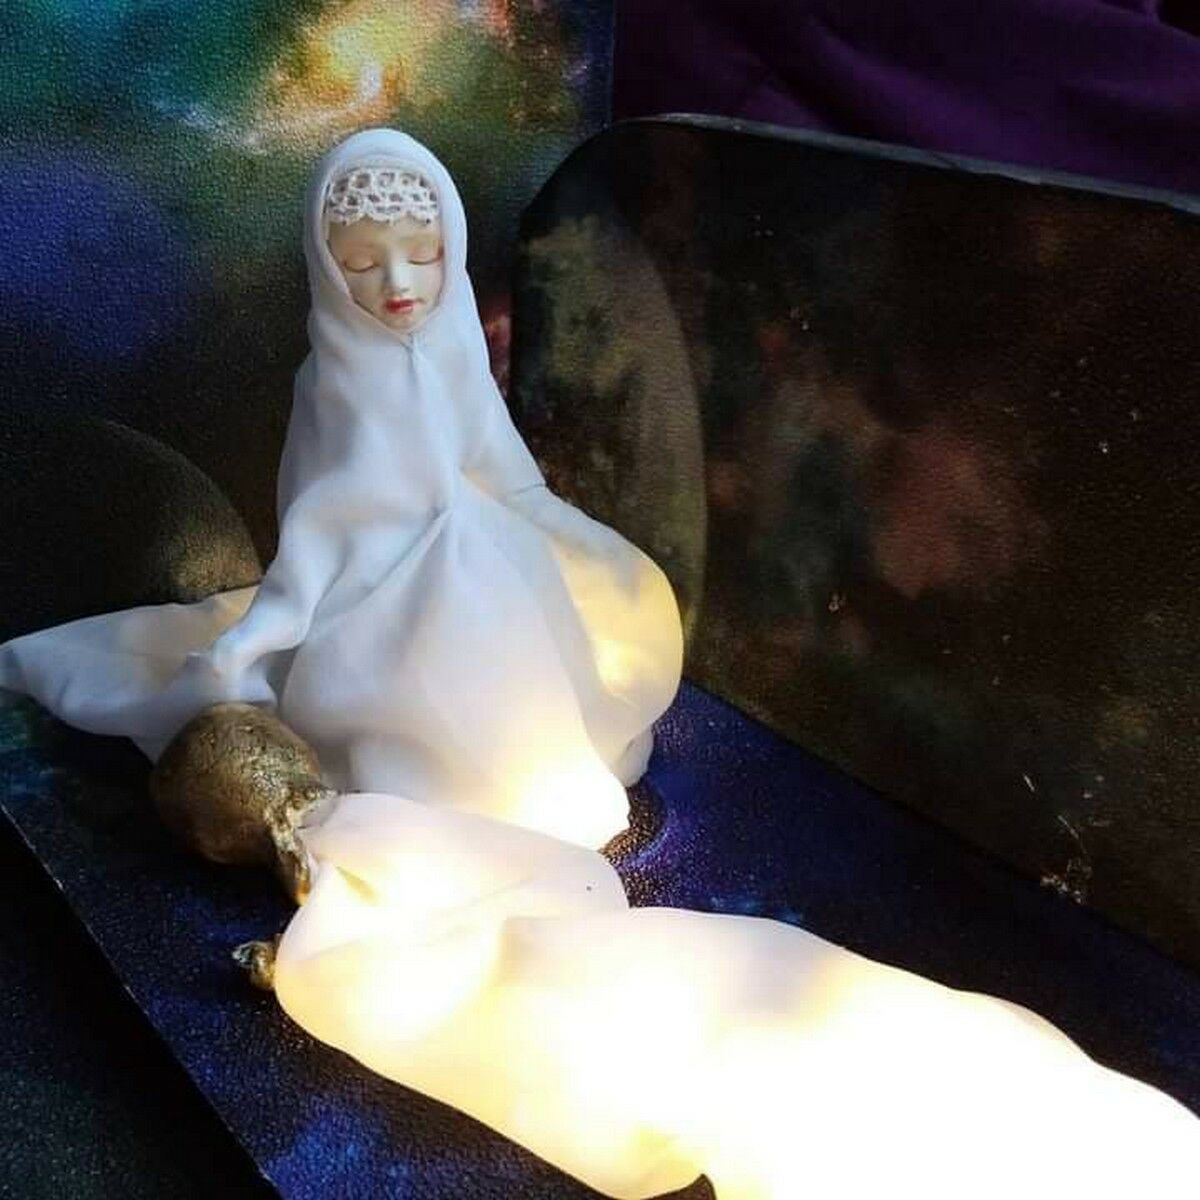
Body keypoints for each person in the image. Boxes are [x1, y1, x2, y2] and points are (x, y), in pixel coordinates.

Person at [0, 127, 683, 849]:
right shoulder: (333, 382)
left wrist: (568, 529)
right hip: (373, 587)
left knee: (540, 685)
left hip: (485, 558)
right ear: (328, 269)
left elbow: (502, 463)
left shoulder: (455, 348)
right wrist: (273, 621)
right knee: (412, 721)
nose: (399, 283)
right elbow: (316, 520)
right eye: (361, 263)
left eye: (423, 254)